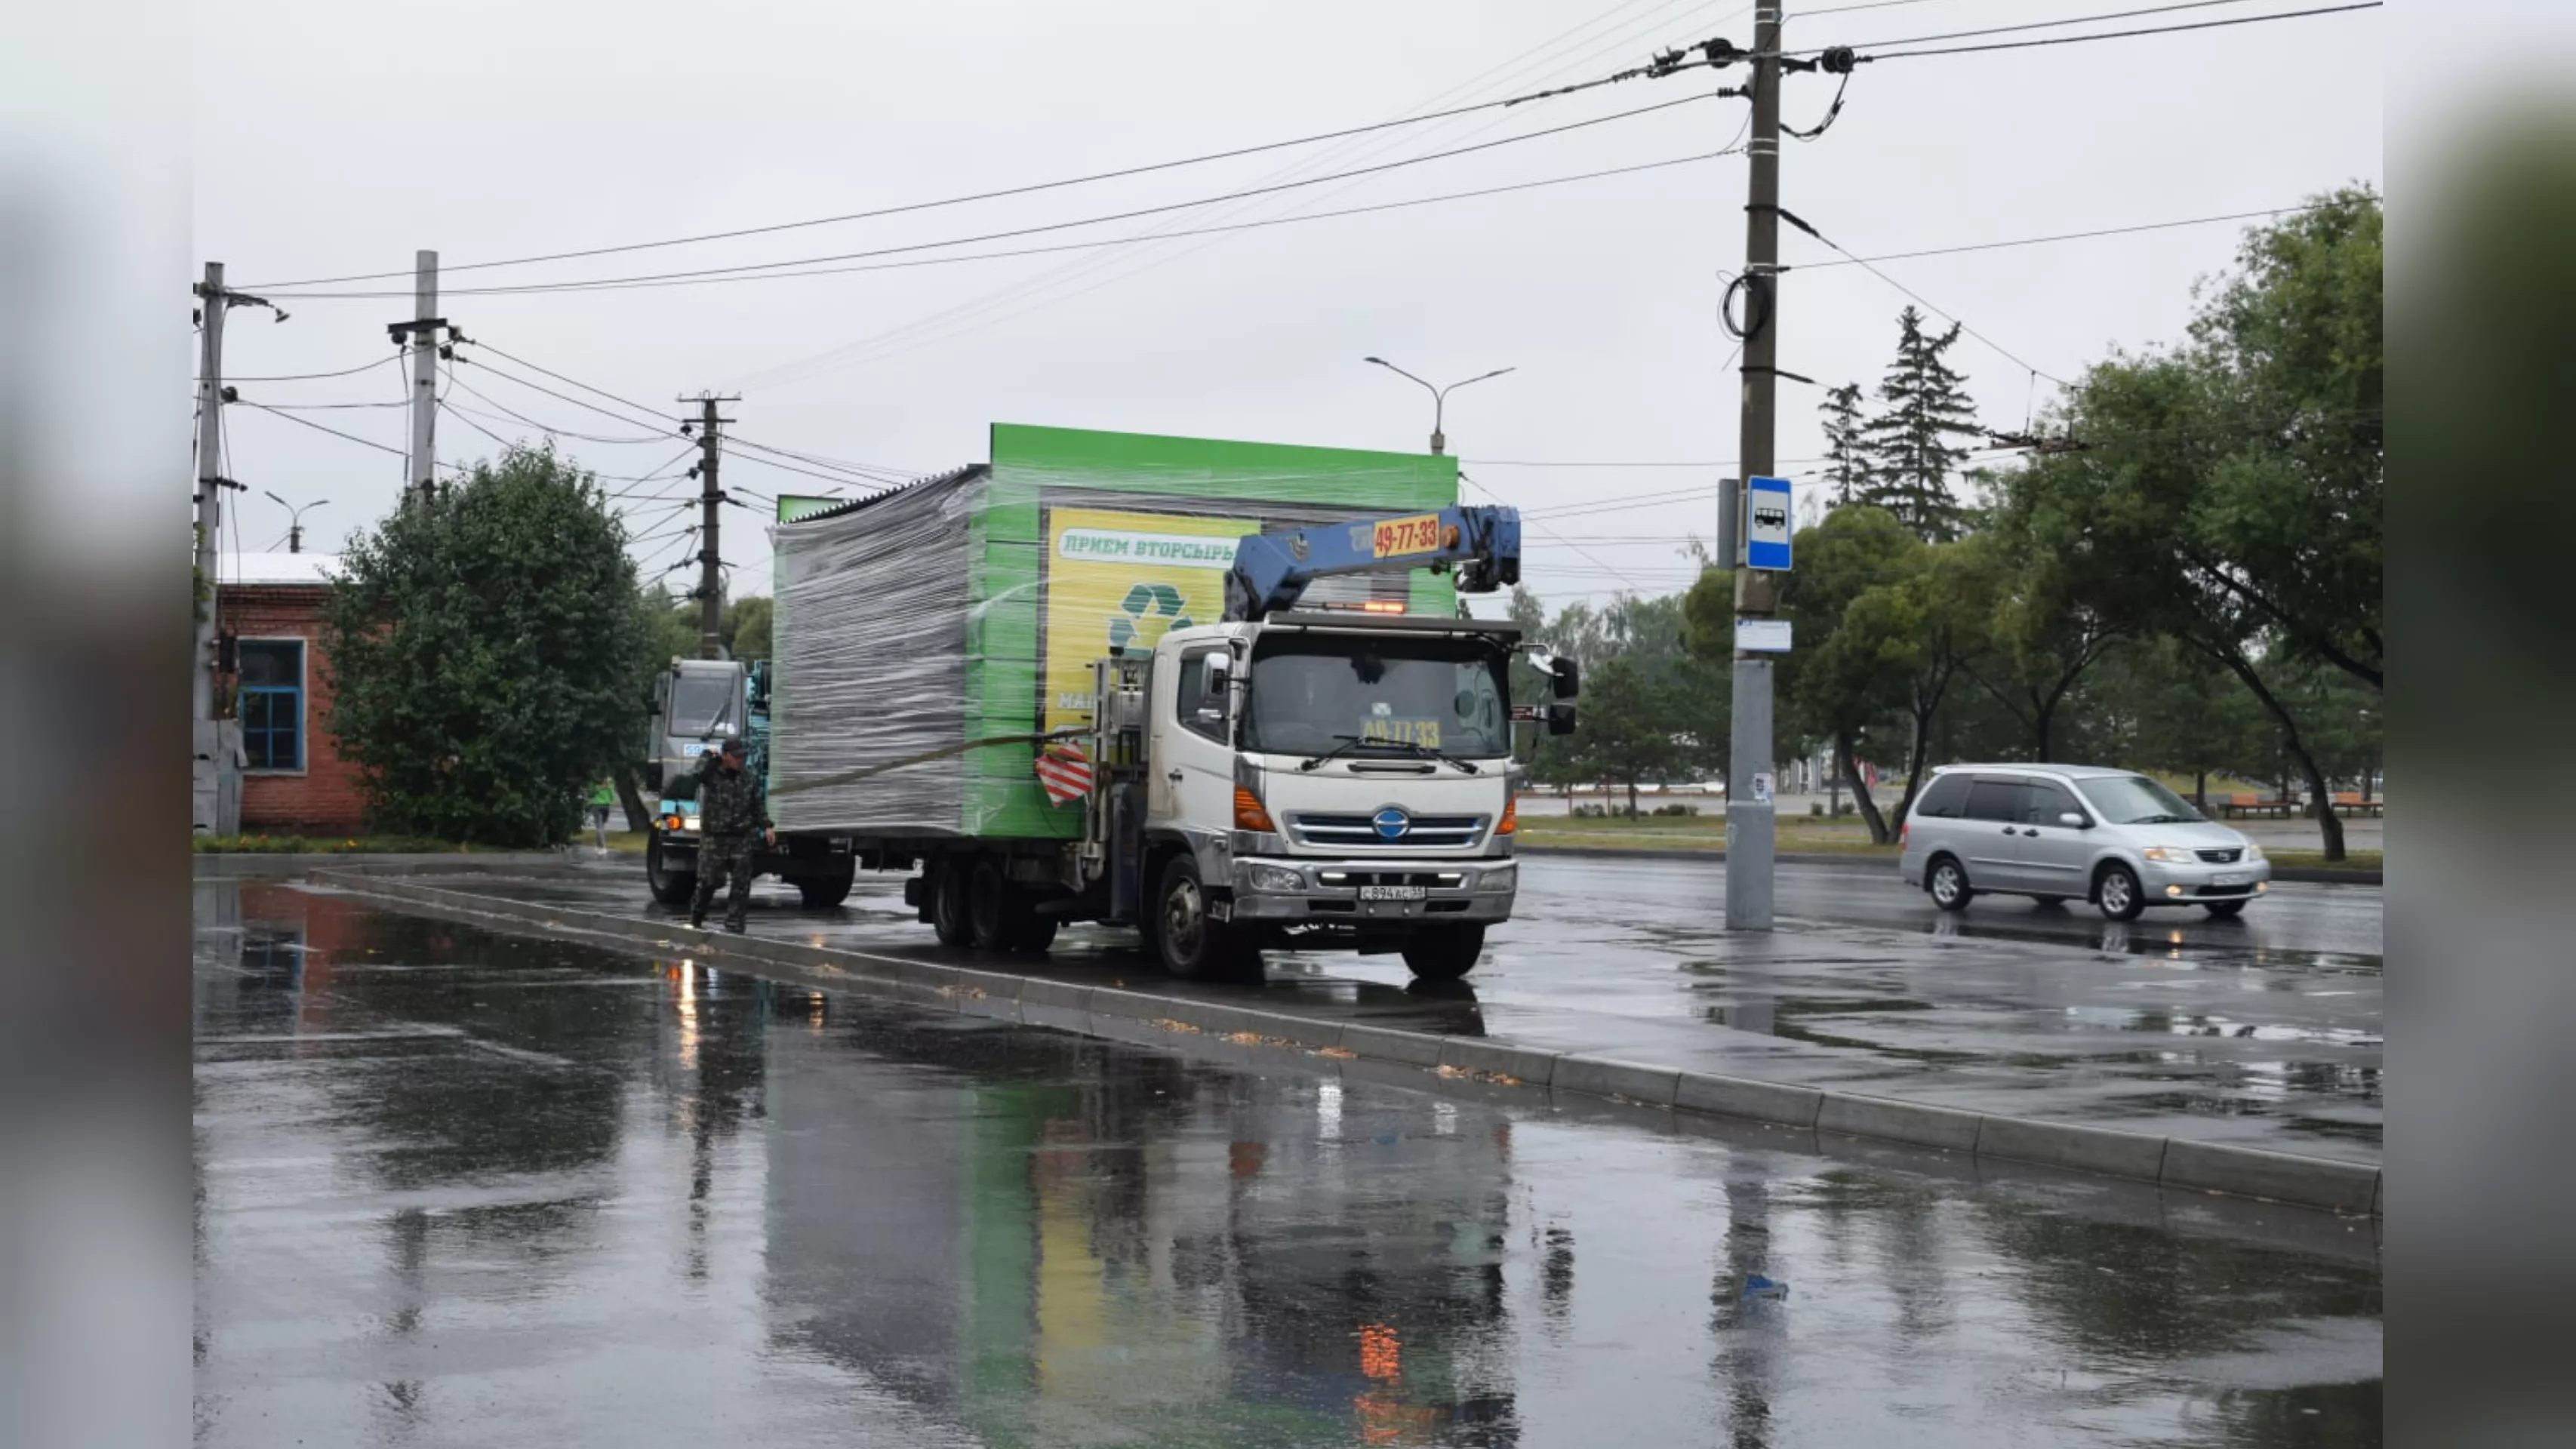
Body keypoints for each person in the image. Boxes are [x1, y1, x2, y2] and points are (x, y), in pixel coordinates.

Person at [689, 736, 773, 934]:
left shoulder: (748, 777)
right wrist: (708, 759)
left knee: (741, 884)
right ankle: (696, 917)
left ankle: (734, 926)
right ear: (725, 756)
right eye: (736, 757)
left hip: (741, 837)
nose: (740, 760)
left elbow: (757, 806)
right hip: (714, 838)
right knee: (709, 881)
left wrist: (767, 826)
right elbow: (695, 774)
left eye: (742, 757)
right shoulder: (711, 774)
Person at [586, 778, 615, 852]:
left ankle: (602, 847)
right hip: (606, 806)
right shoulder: (610, 785)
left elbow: (590, 795)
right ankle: (599, 846)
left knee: (599, 827)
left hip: (597, 805)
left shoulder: (594, 786)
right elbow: (612, 796)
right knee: (601, 827)